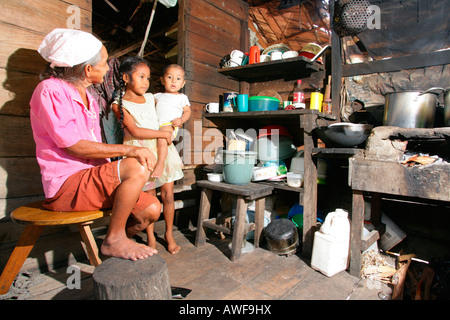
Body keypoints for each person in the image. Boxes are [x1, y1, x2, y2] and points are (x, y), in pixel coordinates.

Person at [29, 28, 161, 262]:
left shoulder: (88, 96)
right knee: (136, 165)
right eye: (104, 63)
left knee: (151, 210)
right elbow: (73, 145)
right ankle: (115, 239)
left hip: (90, 179)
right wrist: (128, 149)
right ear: (88, 69)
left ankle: (113, 246)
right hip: (66, 186)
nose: (109, 68)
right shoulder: (50, 90)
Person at [112, 57, 184, 254]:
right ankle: (151, 237)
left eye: (148, 78)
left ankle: (169, 234)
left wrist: (177, 122)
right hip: (140, 154)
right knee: (151, 199)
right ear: (126, 78)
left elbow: (171, 109)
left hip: (162, 151)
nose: (145, 82)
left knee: (168, 195)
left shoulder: (153, 98)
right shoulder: (118, 104)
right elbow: (134, 131)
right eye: (141, 76)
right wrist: (163, 133)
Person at [154, 64, 191, 178]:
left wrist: (181, 120)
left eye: (178, 78)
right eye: (170, 77)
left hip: (169, 124)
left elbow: (187, 112)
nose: (173, 81)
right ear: (162, 80)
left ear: (183, 83)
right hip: (155, 125)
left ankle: (160, 164)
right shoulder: (156, 96)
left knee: (162, 137)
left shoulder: (181, 97)